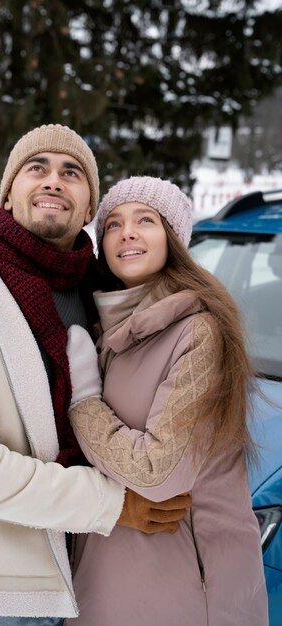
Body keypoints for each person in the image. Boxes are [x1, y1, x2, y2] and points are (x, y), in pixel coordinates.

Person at [0, 126, 192, 626]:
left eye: (72, 173)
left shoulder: (95, 295)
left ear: (87, 211)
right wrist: (111, 504)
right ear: (9, 198)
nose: (54, 180)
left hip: (81, 576)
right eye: (36, 168)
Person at [65, 176, 268, 626]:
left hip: (184, 588)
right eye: (113, 224)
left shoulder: (198, 333)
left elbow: (158, 473)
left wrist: (83, 402)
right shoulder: (106, 328)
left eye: (146, 220)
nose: (127, 232)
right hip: (107, 576)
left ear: (173, 238)